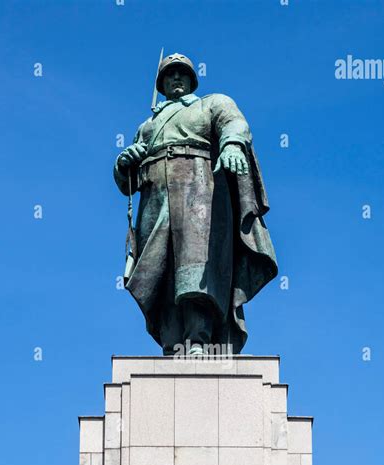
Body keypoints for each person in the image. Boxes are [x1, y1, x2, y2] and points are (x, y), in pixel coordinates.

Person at [114, 53, 278, 355]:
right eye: (169, 75)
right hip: (155, 197)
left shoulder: (211, 103)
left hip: (198, 191)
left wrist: (231, 144)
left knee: (194, 270)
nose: (176, 79)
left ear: (192, 79)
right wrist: (124, 164)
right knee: (159, 273)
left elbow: (234, 123)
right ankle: (172, 343)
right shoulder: (147, 124)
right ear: (161, 84)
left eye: (182, 74)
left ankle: (197, 340)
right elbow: (129, 184)